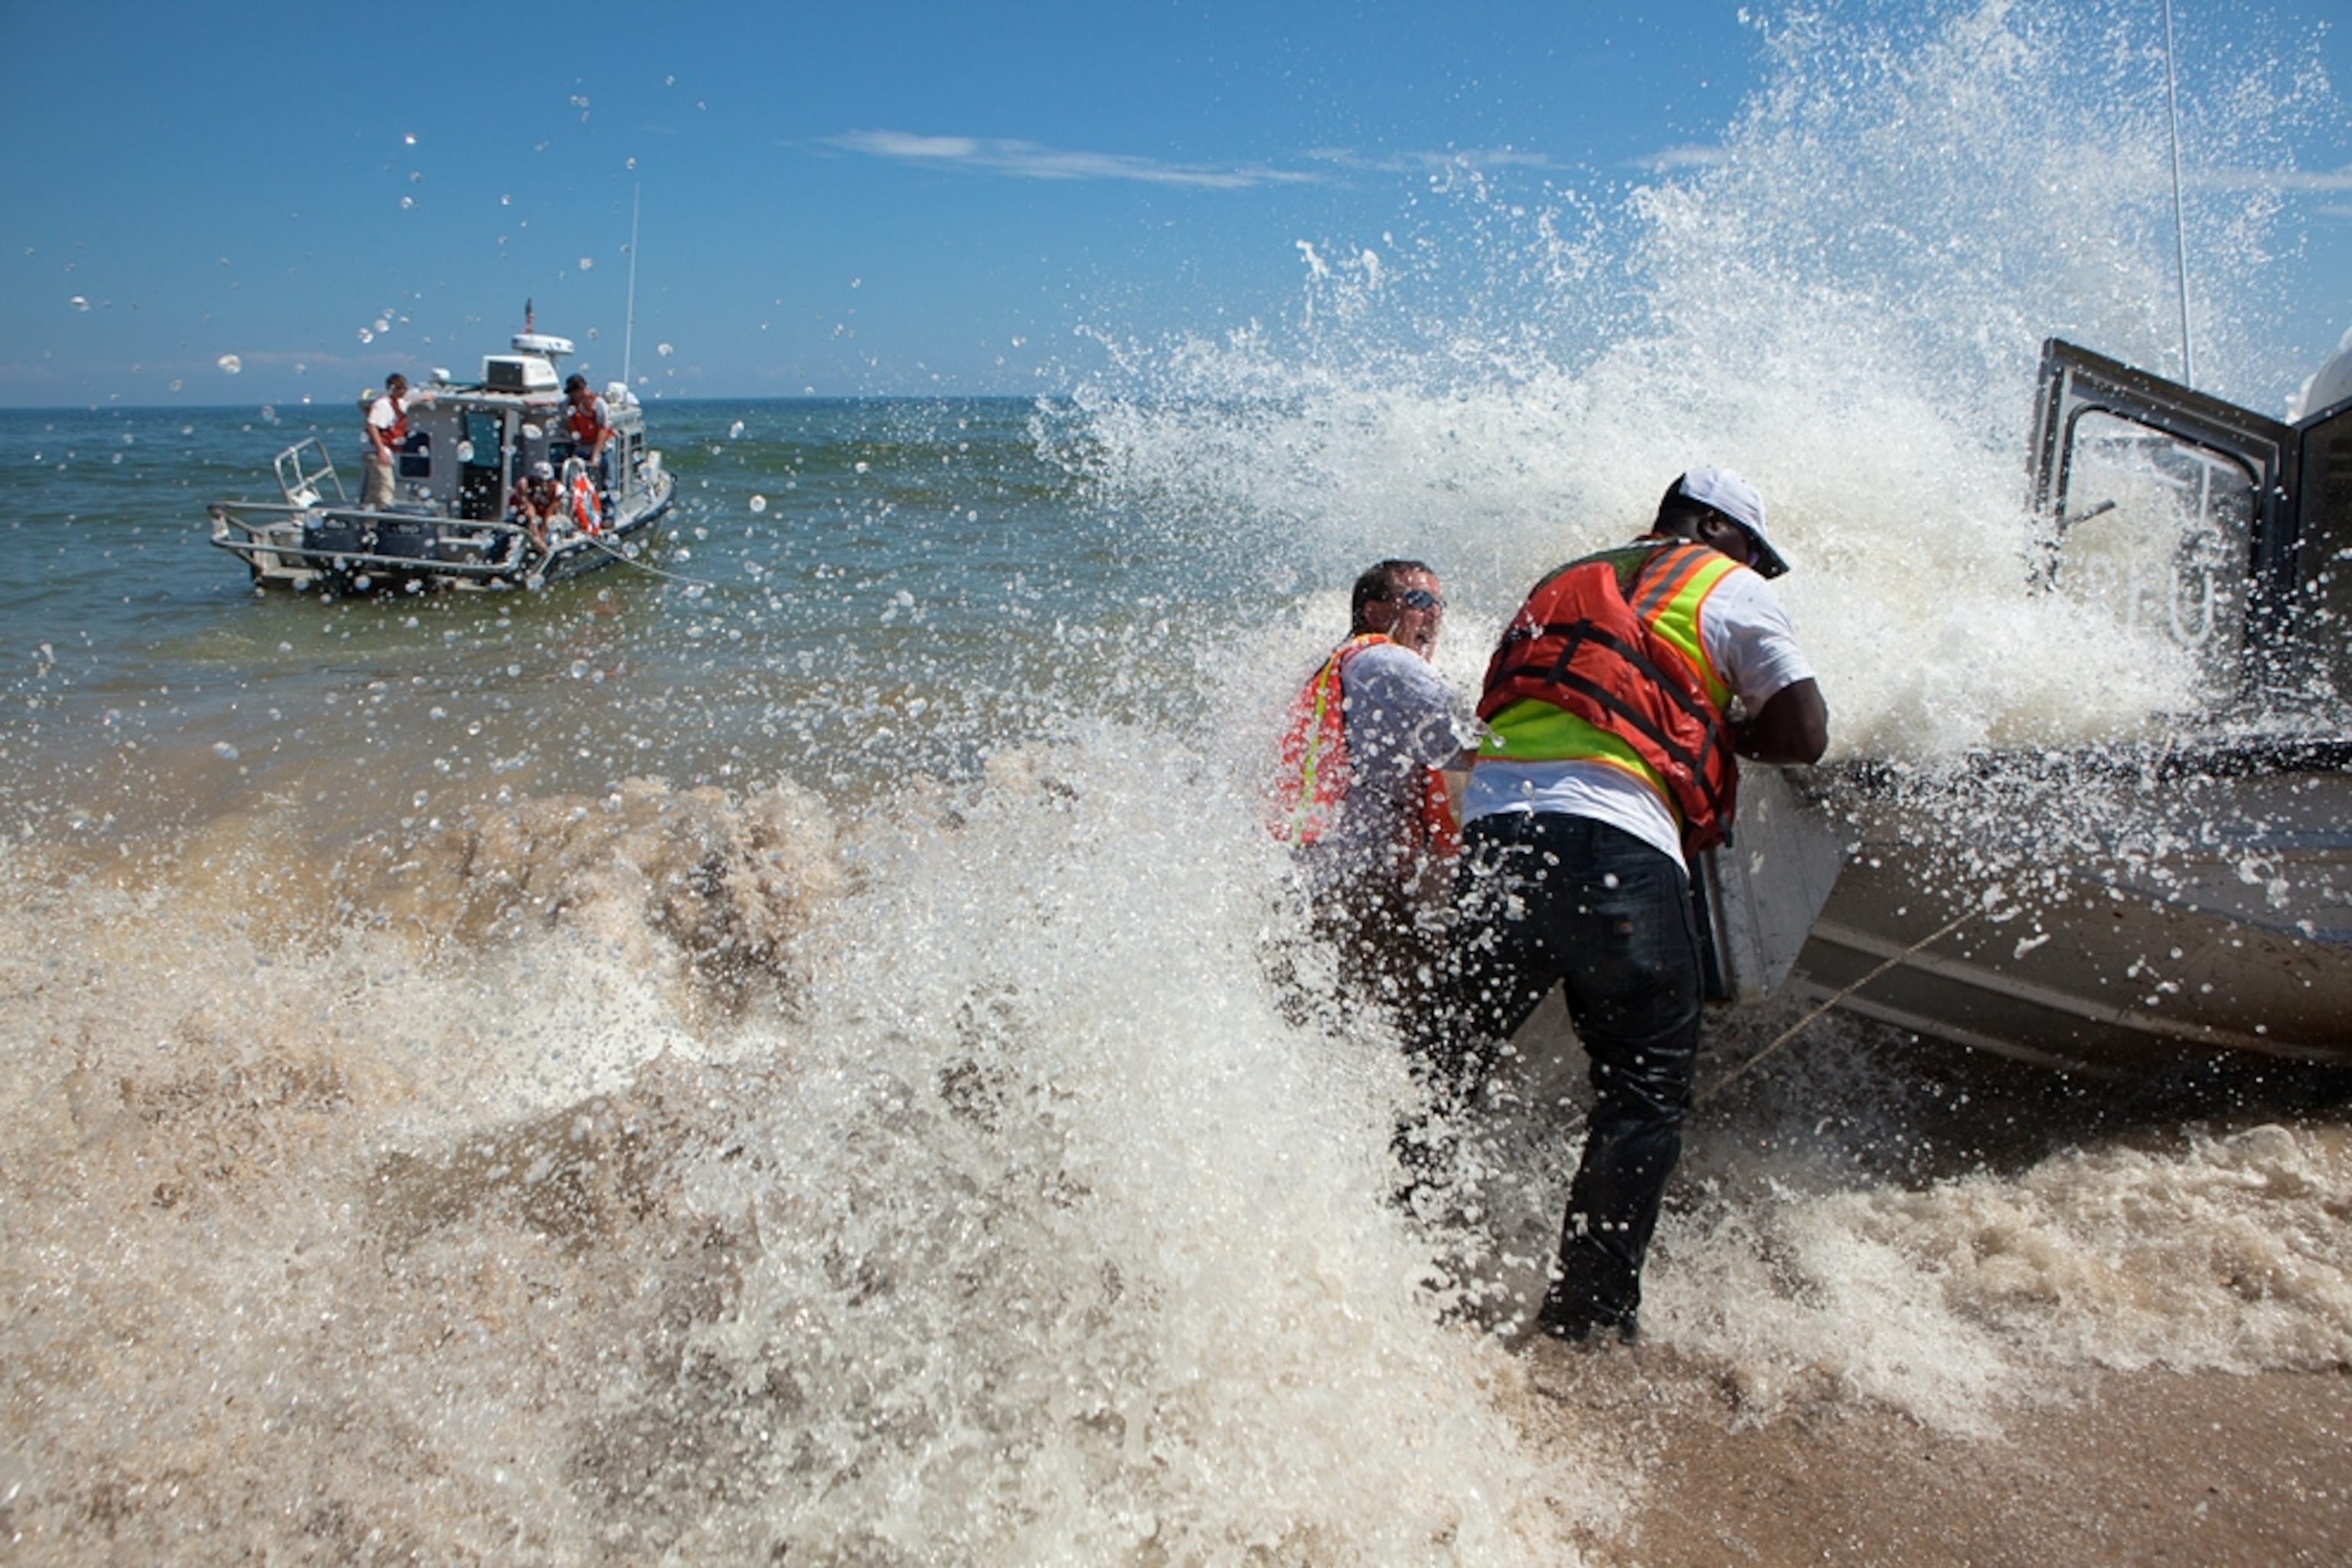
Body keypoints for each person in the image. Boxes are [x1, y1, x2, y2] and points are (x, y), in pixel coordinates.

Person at [1413, 468, 1828, 1345]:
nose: (1756, 565)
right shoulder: (1731, 586)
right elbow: (1805, 733)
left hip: (1496, 839)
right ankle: (1588, 1319)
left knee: (1440, 1063)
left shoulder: (1561, 578)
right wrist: (1722, 730)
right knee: (1641, 1092)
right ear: (1717, 528)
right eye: (1753, 547)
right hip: (1618, 841)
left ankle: (1391, 1259)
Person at [1272, 559, 1468, 1014]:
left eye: (1439, 604)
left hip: (1319, 881)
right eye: (1419, 601)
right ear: (1376, 612)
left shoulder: (1333, 665)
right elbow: (1468, 741)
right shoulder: (1387, 660)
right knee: (1425, 1017)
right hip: (1358, 888)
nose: (1434, 615)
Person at [361, 373, 410, 508]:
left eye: (404, 388)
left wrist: (425, 397)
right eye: (400, 388)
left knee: (374, 489)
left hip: (384, 451)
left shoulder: (397, 404)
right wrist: (381, 450)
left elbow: (409, 402)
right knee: (386, 486)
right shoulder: (382, 405)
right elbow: (371, 425)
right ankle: (383, 518)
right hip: (376, 452)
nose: (403, 392)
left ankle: (370, 520)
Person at [563, 373, 612, 490]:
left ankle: (609, 504)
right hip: (582, 445)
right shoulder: (569, 404)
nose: (572, 395)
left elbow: (603, 430)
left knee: (608, 478)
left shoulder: (598, 404)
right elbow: (556, 405)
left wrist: (595, 455)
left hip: (603, 446)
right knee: (574, 474)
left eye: (573, 392)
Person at [505, 459, 560, 550]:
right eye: (539, 482)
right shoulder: (523, 485)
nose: (544, 486)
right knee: (506, 539)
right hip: (519, 520)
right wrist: (537, 538)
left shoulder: (557, 489)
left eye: (547, 482)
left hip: (542, 522)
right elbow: (530, 511)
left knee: (553, 537)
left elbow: (549, 513)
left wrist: (541, 538)